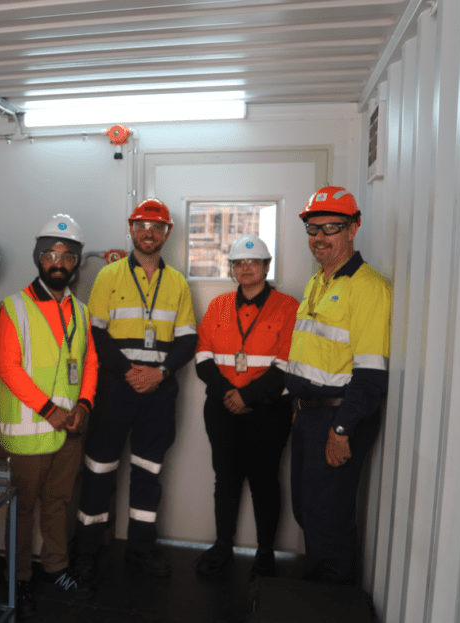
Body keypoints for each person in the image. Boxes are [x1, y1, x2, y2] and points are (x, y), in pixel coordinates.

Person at [73, 197, 198, 579]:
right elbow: (96, 334)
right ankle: (87, 552)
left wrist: (158, 373)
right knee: (98, 470)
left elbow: (188, 340)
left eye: (156, 227)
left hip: (158, 393)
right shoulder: (109, 276)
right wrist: (130, 371)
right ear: (131, 230)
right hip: (115, 389)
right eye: (142, 225)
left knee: (148, 472)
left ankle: (141, 549)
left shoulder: (177, 282)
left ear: (166, 233)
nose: (149, 232)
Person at [285, 187, 391, 585]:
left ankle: (331, 600)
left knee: (329, 518)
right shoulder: (320, 281)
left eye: (332, 227)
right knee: (308, 512)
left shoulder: (368, 288)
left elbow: (370, 374)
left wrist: (342, 429)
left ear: (353, 228)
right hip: (309, 416)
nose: (320, 237)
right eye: (314, 229)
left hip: (339, 417)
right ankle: (318, 597)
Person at [0, 214, 97, 619]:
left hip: (70, 429)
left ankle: (56, 568)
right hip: (30, 431)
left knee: (59, 502)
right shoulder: (14, 307)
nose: (59, 262)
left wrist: (84, 406)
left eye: (67, 255)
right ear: (39, 259)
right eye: (51, 254)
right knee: (23, 508)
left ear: (76, 262)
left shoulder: (81, 311)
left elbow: (90, 363)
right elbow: (7, 366)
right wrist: (51, 410)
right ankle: (18, 580)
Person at [194, 234, 298, 579]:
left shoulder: (287, 307)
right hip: (222, 408)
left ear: (266, 267)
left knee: (265, 480)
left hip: (269, 411)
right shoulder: (218, 306)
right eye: (239, 263)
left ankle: (265, 551)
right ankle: (223, 545)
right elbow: (203, 358)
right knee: (225, 479)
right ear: (233, 269)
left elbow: (286, 365)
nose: (246, 269)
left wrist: (247, 396)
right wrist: (229, 393)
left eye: (253, 263)